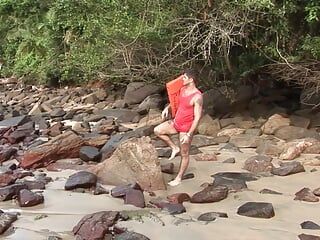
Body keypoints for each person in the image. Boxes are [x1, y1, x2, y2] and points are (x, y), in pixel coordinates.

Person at [154, 69, 203, 186]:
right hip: (176, 123)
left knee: (185, 154)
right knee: (157, 130)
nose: (182, 79)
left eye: (185, 77)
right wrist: (167, 108)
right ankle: (174, 148)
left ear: (191, 79)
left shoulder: (197, 97)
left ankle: (179, 178)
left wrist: (189, 134)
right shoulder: (182, 89)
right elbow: (176, 102)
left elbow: (197, 118)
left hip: (186, 128)